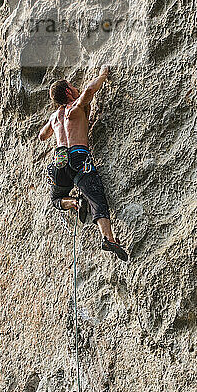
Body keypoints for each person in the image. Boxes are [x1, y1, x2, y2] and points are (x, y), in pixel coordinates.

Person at [38, 66, 127, 261]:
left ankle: (75, 202)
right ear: (68, 92)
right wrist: (103, 75)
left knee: (56, 199)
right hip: (79, 157)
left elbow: (42, 135)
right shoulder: (76, 107)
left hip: (59, 161)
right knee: (96, 198)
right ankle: (108, 238)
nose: (76, 88)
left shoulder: (54, 118)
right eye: (72, 86)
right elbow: (89, 91)